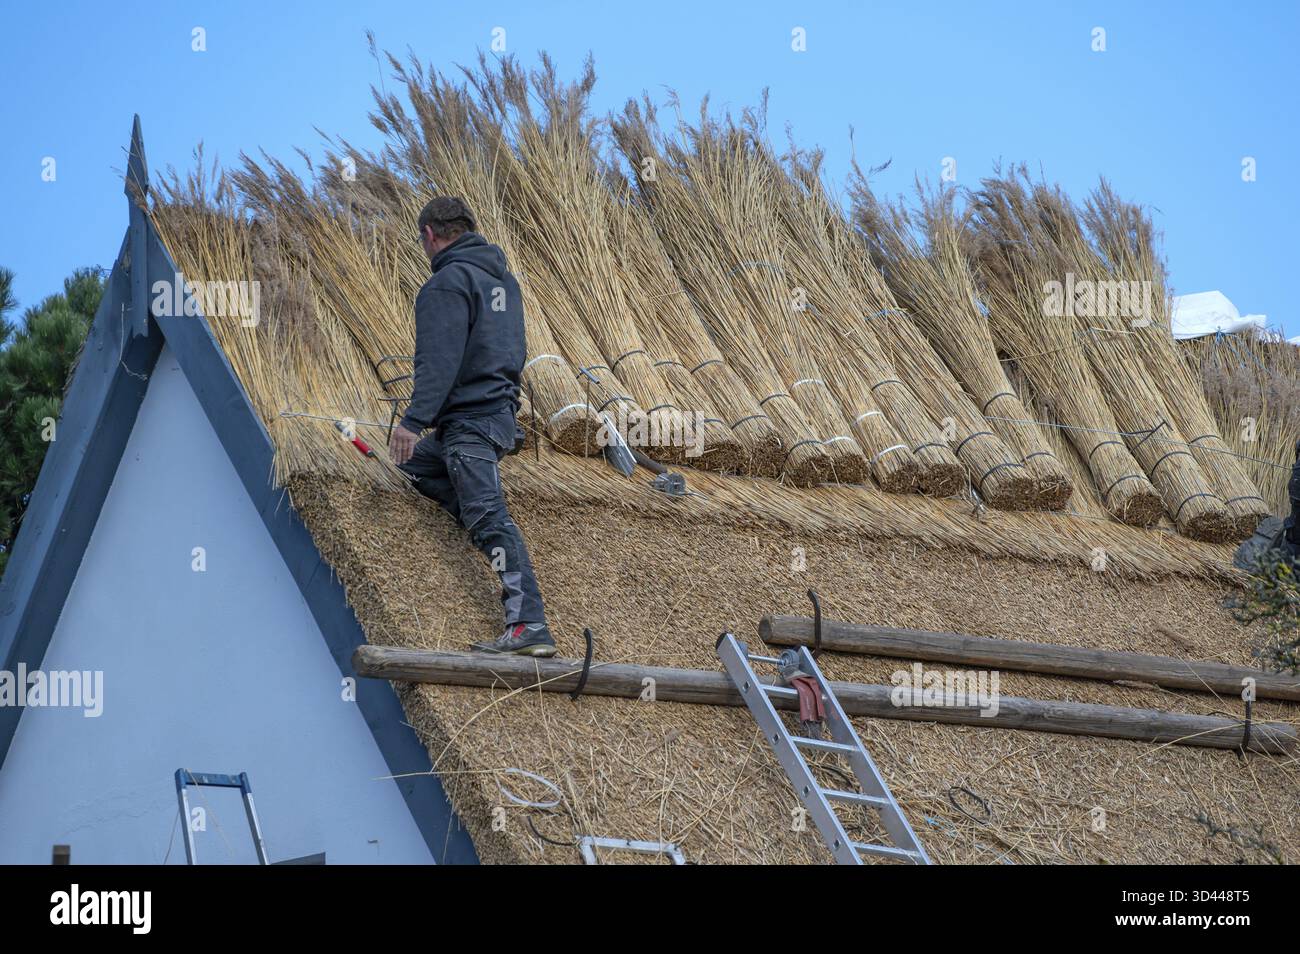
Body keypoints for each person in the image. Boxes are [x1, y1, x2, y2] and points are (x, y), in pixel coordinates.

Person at [388, 196, 556, 657]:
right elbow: (511, 352)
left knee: (489, 517)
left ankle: (527, 626)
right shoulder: (503, 281)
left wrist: (412, 421)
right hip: (495, 418)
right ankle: (471, 520)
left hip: (470, 426)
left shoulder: (448, 282)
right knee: (415, 470)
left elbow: (437, 361)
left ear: (429, 235)